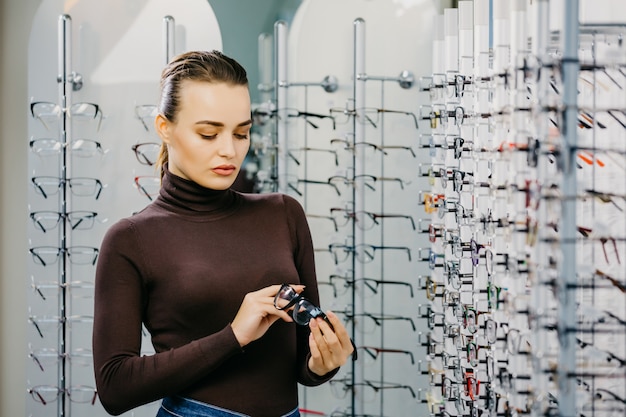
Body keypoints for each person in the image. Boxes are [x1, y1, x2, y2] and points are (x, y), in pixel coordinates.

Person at [93, 50, 354, 417]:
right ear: (164, 127)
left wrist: (323, 364)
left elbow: (301, 365)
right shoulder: (131, 239)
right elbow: (114, 388)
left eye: (242, 133)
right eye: (208, 133)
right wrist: (234, 336)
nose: (229, 150)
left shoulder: (283, 213)